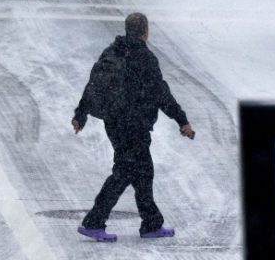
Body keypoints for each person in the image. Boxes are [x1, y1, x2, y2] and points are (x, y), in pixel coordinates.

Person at [72, 12, 196, 242]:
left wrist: (81, 113)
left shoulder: (112, 51)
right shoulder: (144, 58)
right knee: (125, 171)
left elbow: (94, 85)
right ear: (145, 31)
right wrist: (182, 120)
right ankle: (94, 221)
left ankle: (151, 223)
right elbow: (162, 94)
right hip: (134, 125)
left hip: (114, 123)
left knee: (143, 171)